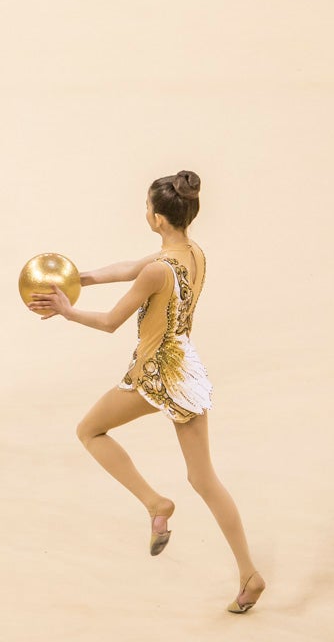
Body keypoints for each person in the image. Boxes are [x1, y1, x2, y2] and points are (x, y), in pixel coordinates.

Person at [27, 170, 266, 614]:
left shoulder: (157, 270)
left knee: (89, 431)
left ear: (157, 218)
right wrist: (82, 278)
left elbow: (110, 322)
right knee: (204, 479)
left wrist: (66, 310)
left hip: (156, 374)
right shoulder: (192, 253)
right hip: (185, 370)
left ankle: (155, 502)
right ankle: (249, 574)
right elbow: (130, 269)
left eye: (146, 207)